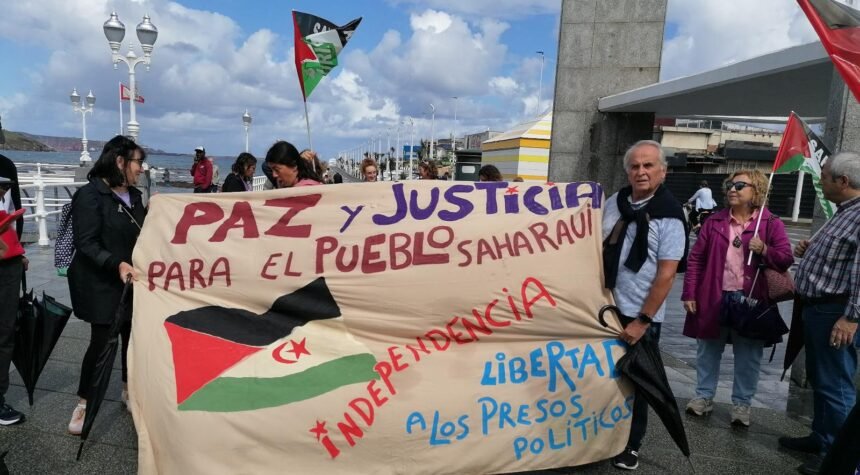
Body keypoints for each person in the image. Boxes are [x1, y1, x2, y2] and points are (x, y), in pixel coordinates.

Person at [681, 170, 793, 427]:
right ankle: (703, 397)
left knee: (748, 355)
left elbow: (786, 258)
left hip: (751, 299)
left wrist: (764, 249)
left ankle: (742, 405)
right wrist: (689, 292)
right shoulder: (714, 221)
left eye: (740, 185)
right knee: (708, 350)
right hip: (714, 296)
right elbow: (696, 259)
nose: (732, 189)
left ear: (757, 191)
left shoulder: (770, 223)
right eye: (730, 185)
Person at [602, 140, 688, 471]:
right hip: (606, 308)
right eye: (635, 166)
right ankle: (599, 435)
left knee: (638, 381)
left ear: (662, 171)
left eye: (648, 165)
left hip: (640, 314)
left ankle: (632, 444)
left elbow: (666, 275)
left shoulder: (670, 215)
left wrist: (643, 320)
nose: (641, 171)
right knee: (604, 378)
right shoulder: (615, 202)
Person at [778, 152, 860, 475]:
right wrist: (810, 250)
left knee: (835, 386)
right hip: (818, 310)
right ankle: (822, 438)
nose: (820, 180)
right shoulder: (845, 212)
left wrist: (852, 317)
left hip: (835, 313)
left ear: (843, 181)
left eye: (824, 176)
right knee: (822, 380)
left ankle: (839, 458)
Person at [67, 136, 147, 435]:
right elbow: (86, 242)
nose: (141, 169)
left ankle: (129, 391)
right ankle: (85, 401)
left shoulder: (136, 196)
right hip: (102, 282)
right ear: (120, 161)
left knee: (132, 339)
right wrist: (116, 264)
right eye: (138, 162)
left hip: (134, 280)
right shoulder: (91, 195)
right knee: (101, 343)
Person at [0, 173, 26, 425]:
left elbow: (10, 214)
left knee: (4, 332)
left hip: (8, 262)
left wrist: (18, 251)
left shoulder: (7, 165)